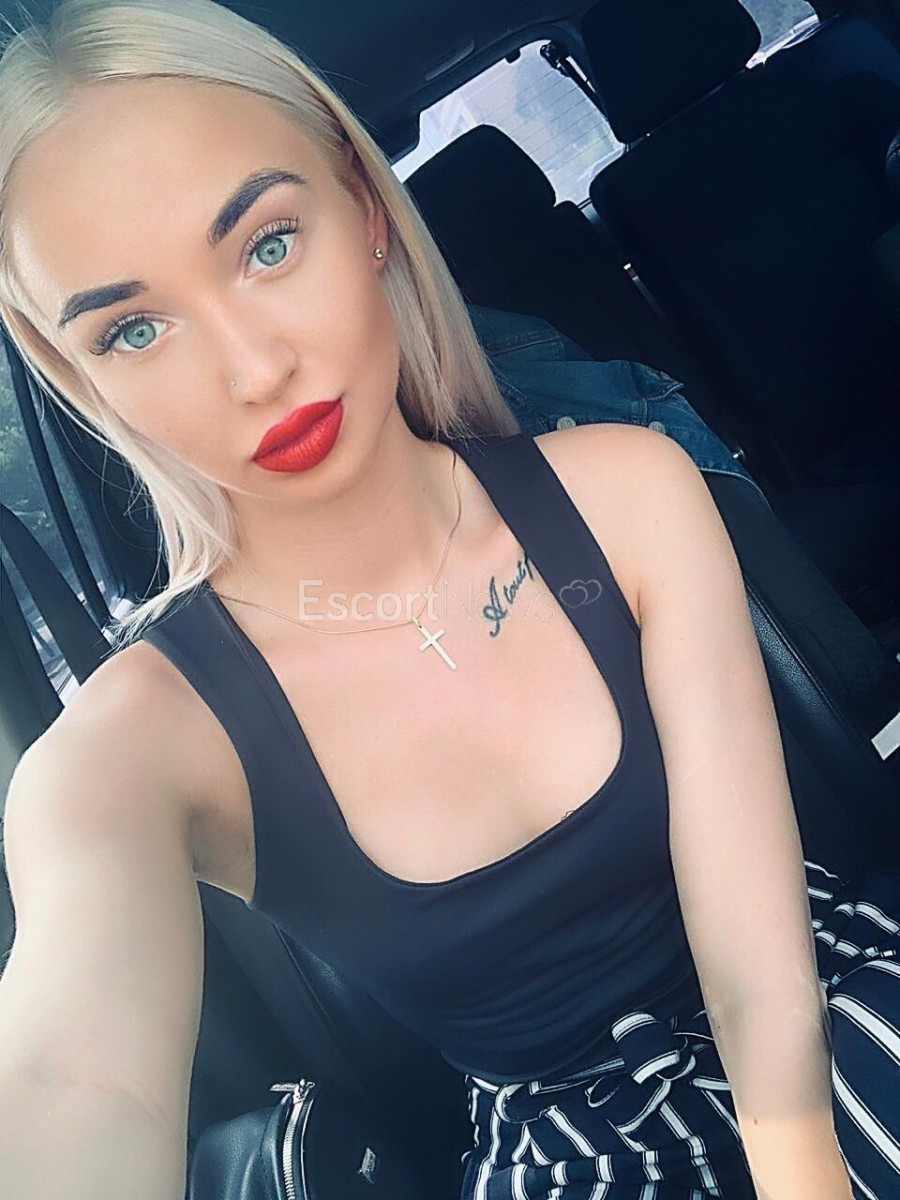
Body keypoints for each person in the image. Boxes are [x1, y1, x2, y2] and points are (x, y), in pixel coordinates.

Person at [0, 2, 897, 1198]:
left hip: (826, 998)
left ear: (365, 209)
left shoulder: (628, 493)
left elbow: (754, 945)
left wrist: (800, 1167)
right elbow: (70, 1084)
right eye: (134, 330)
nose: (254, 369)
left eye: (268, 244)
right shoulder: (119, 762)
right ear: (74, 373)